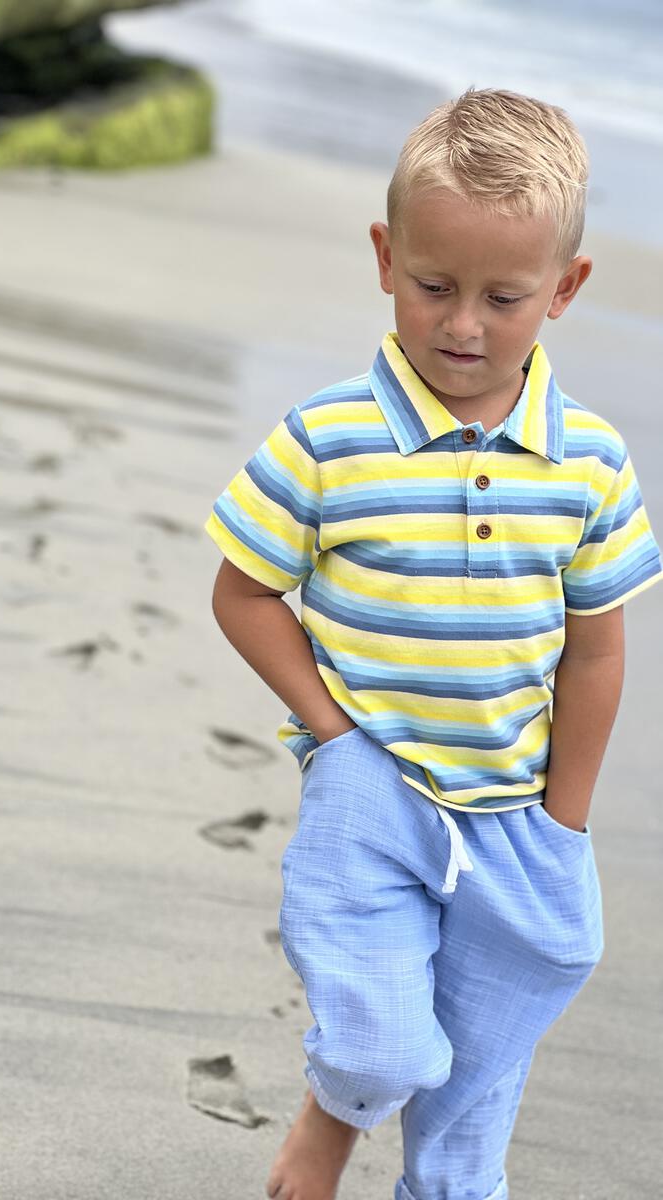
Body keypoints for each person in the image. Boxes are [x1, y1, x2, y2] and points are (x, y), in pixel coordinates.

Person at [203, 88, 663, 1200]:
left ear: (566, 288)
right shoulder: (329, 436)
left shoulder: (589, 466)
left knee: (472, 1112)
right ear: (384, 256)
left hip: (515, 809)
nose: (462, 325)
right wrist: (337, 740)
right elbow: (243, 593)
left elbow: (594, 654)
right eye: (433, 286)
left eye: (504, 298)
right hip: (374, 793)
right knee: (381, 1045)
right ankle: (329, 1121)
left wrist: (565, 817)